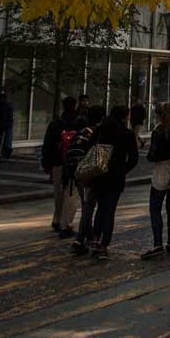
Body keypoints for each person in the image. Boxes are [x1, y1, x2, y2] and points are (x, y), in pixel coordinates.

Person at [88, 105, 140, 260]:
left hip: (99, 173)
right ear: (126, 116)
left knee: (100, 208)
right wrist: (123, 169)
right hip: (115, 176)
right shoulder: (126, 134)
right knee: (109, 210)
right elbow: (133, 158)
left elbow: (89, 148)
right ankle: (104, 244)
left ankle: (96, 240)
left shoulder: (100, 130)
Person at [142, 101, 170, 259]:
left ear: (158, 115)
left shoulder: (158, 131)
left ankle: (158, 242)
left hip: (161, 170)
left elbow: (152, 156)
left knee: (155, 208)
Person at [39, 96, 80, 235]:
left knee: (58, 192)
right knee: (70, 192)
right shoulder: (79, 123)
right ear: (75, 106)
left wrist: (46, 163)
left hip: (57, 162)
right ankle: (66, 223)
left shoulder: (55, 123)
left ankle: (56, 219)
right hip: (73, 163)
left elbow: (47, 145)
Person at [70, 105, 107, 254]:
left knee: (87, 205)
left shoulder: (82, 132)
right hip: (90, 175)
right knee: (88, 207)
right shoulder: (97, 134)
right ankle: (80, 239)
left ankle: (88, 236)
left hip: (78, 173)